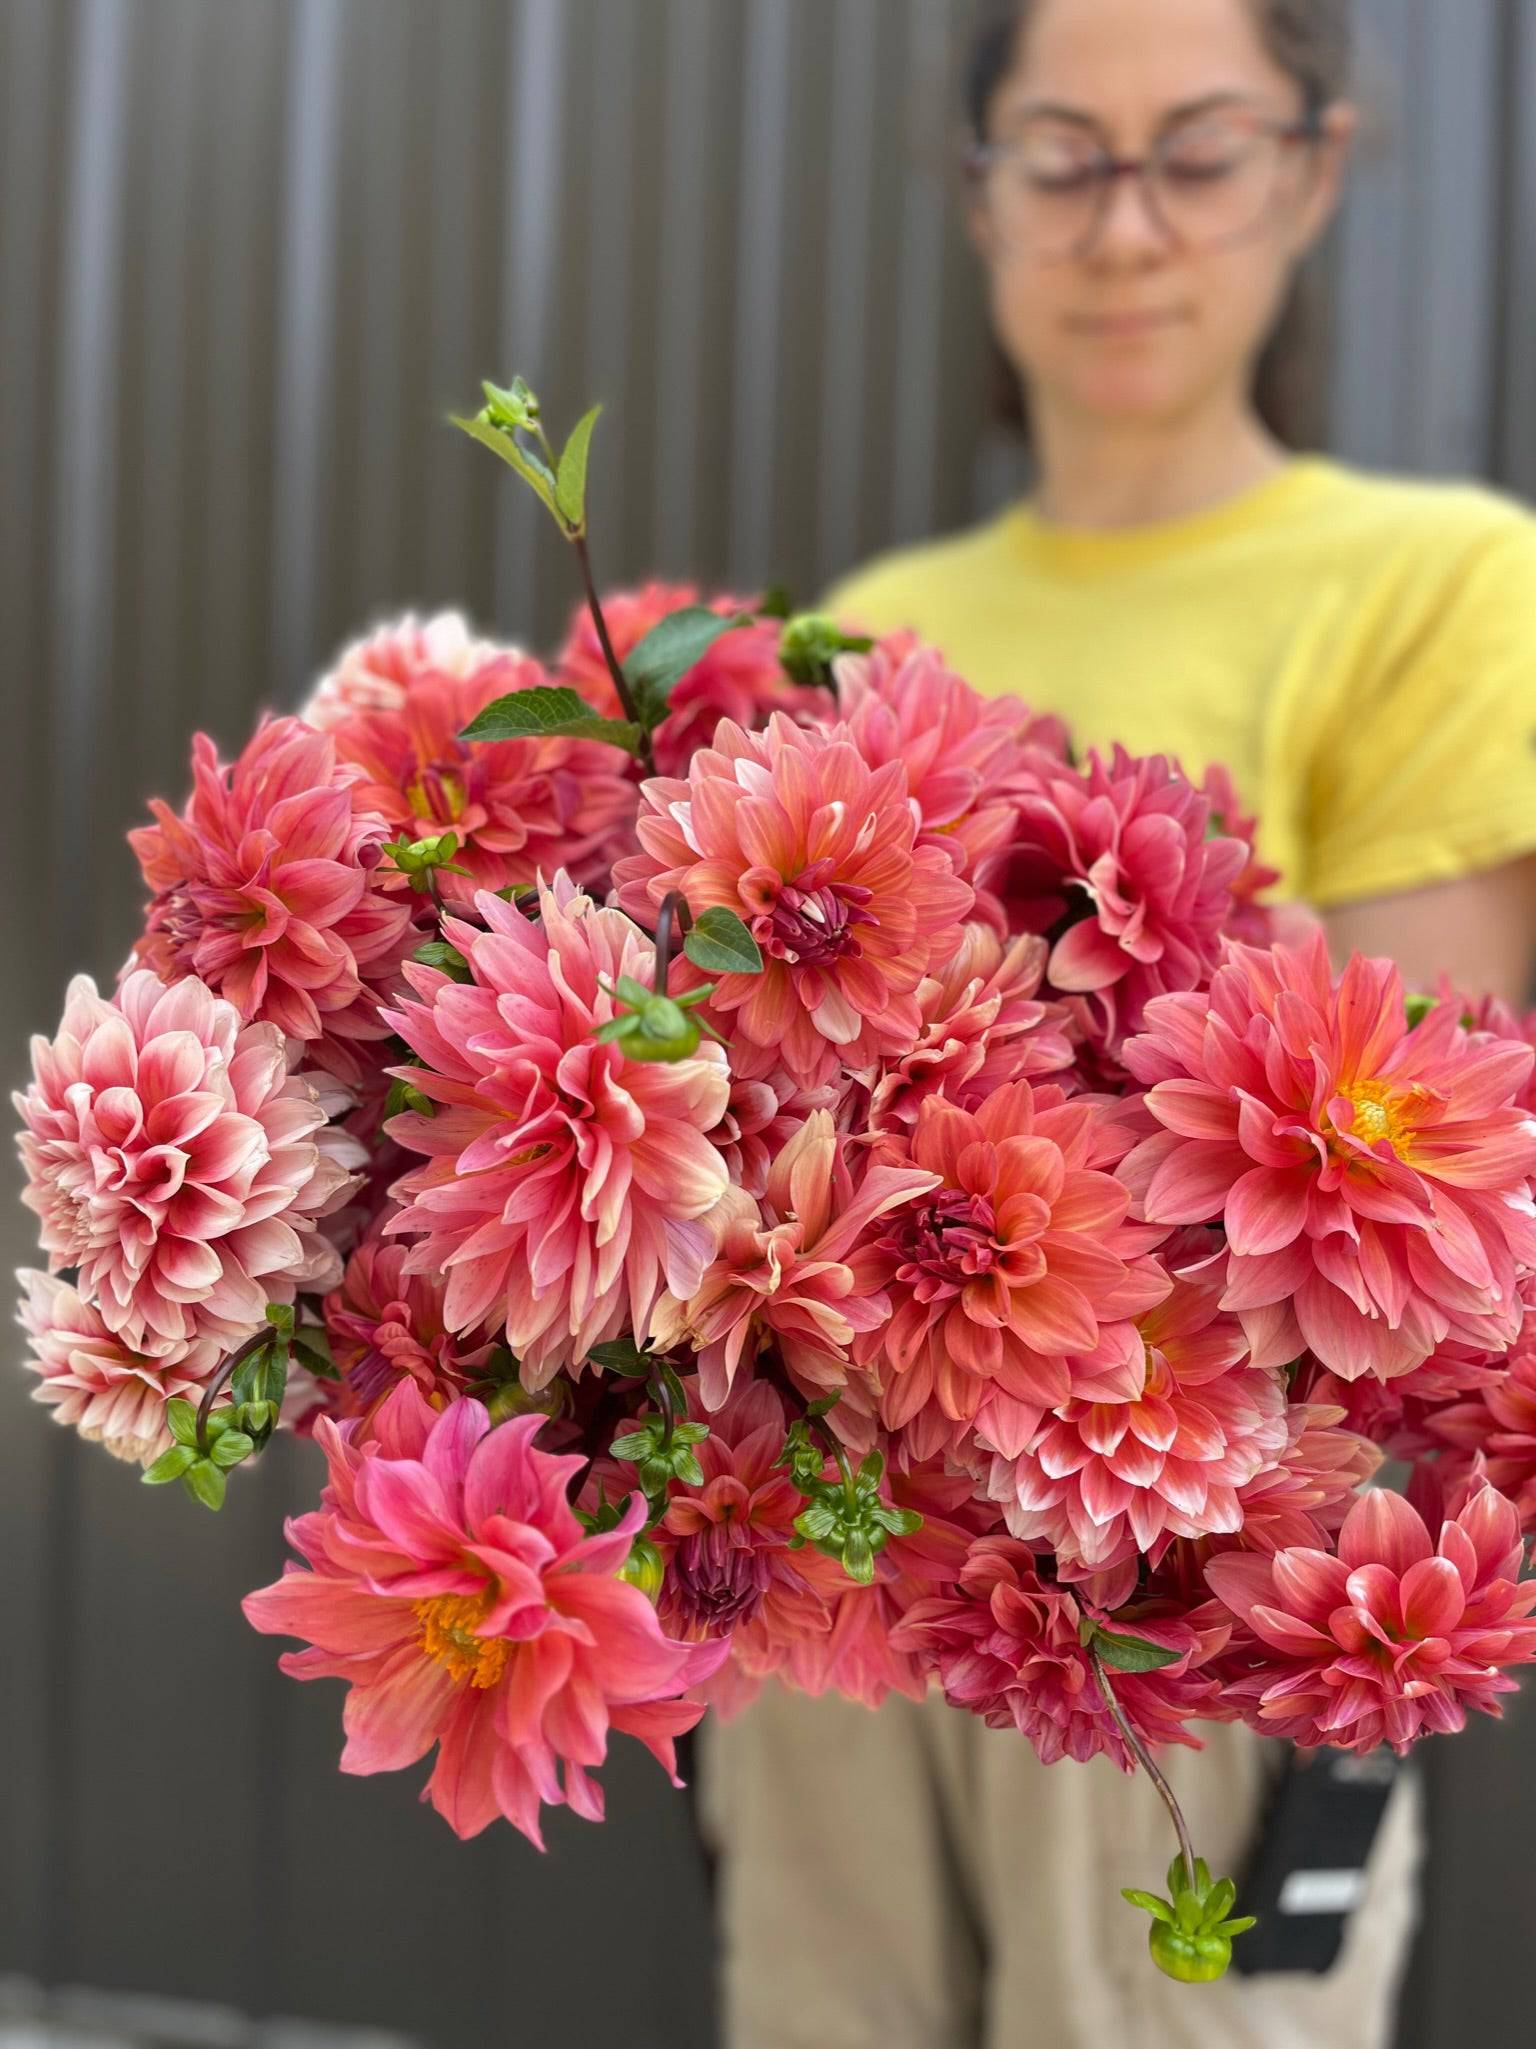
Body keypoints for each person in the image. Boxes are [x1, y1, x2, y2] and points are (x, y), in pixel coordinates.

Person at [699, 3, 1536, 2046]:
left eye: (1201, 151)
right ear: (984, 197)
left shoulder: (1448, 583)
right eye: (1064, 156)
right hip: (836, 1561)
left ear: (1312, 172)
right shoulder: (878, 618)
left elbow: (1406, 1170)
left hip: (1171, 1597)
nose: (1128, 225)